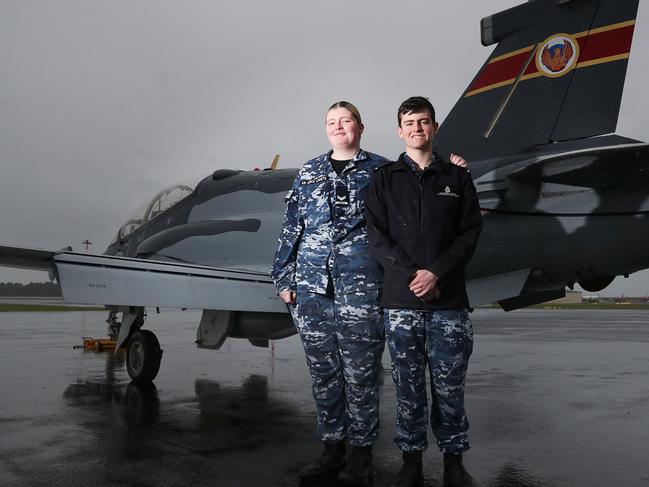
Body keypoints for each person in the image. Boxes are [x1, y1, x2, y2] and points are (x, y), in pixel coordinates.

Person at [365, 96, 483, 487]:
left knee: (449, 385)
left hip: (448, 303)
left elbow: (469, 234)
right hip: (401, 302)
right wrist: (415, 275)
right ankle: (410, 460)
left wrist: (436, 272)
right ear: (400, 131)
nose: (417, 128)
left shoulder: (457, 178)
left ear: (434, 128)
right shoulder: (383, 180)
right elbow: (377, 237)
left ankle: (453, 460)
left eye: (424, 121)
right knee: (408, 386)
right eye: (410, 122)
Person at [271, 101, 389, 485]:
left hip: (361, 285)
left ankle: (361, 455)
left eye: (346, 120)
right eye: (332, 122)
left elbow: (403, 223)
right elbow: (292, 226)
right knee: (324, 373)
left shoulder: (383, 170)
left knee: (361, 373)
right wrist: (283, 279)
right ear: (327, 129)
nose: (339, 127)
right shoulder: (309, 171)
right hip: (312, 288)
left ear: (360, 126)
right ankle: (331, 449)